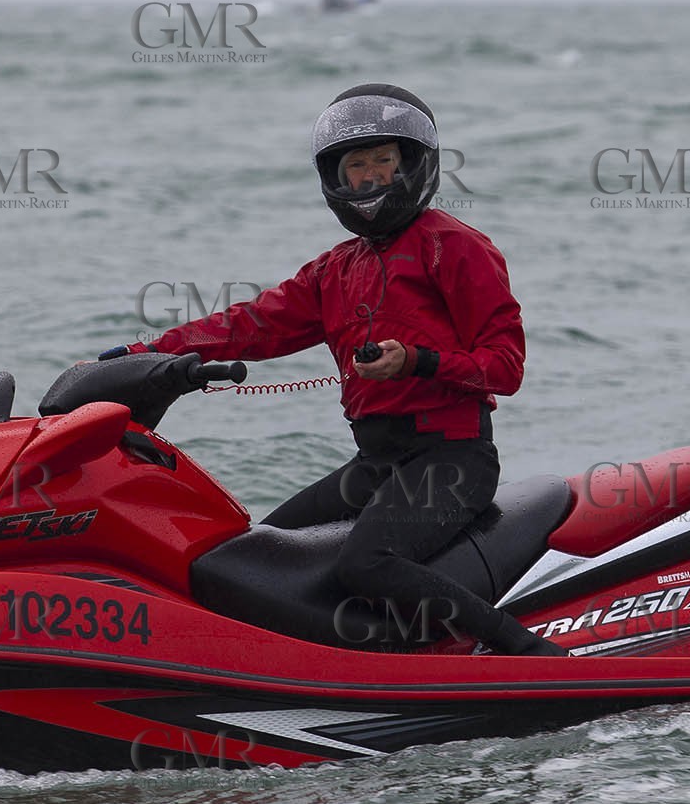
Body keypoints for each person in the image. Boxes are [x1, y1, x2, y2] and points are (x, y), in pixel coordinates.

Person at [98, 83, 565, 657]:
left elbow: (506, 366)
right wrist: (149, 353)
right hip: (377, 464)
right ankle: (305, 661)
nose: (369, 179)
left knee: (367, 562)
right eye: (356, 167)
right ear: (335, 180)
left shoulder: (455, 247)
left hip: (452, 459)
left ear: (414, 165)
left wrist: (418, 362)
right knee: (257, 553)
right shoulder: (334, 269)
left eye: (383, 162)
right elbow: (251, 324)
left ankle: (521, 649)